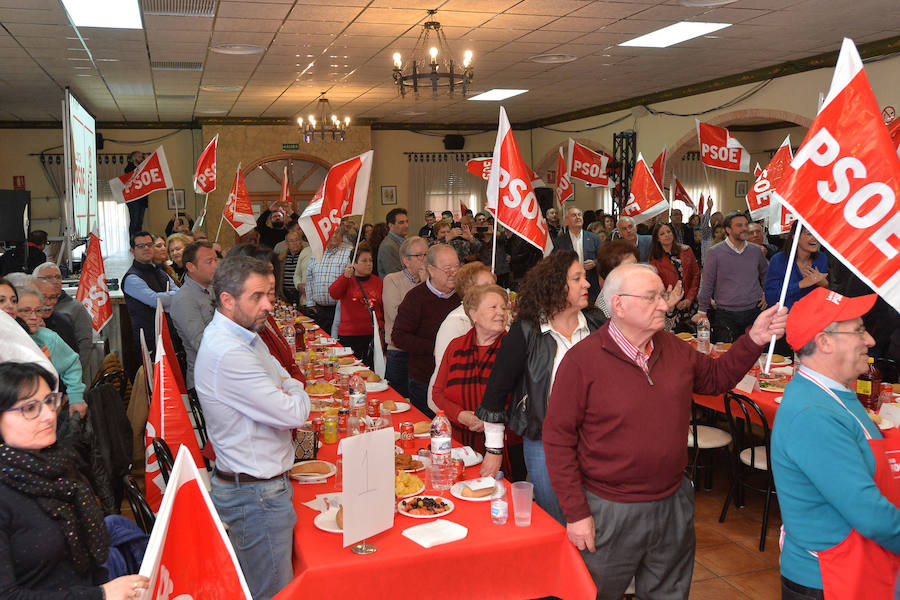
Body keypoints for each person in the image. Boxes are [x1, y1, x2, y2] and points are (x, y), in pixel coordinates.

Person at [542, 263, 787, 600]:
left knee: (669, 593)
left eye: (662, 295)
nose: (663, 304)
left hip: (672, 501)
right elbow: (558, 440)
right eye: (652, 297)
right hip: (610, 508)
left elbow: (716, 379)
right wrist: (577, 513)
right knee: (593, 592)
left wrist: (754, 339)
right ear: (618, 305)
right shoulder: (582, 361)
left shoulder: (673, 348)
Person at [771, 287, 900, 599]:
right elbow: (868, 513)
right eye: (858, 330)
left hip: (857, 568)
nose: (869, 340)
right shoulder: (813, 414)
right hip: (830, 579)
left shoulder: (836, 393)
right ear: (824, 341)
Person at [195, 255, 310, 600]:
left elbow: (284, 376)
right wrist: (293, 390)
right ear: (227, 300)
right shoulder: (229, 351)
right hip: (255, 496)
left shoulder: (246, 332)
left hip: (258, 488)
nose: (267, 305)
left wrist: (288, 386)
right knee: (273, 592)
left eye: (270, 295)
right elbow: (294, 413)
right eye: (257, 297)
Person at [0, 361, 150, 599]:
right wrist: (100, 594)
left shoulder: (60, 464)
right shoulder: (7, 494)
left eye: (50, 401)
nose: (49, 415)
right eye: (30, 408)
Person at [475, 250, 603, 525]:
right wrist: (494, 450)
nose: (588, 284)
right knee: (559, 520)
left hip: (599, 440)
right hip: (546, 442)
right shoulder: (526, 331)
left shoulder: (596, 323)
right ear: (555, 284)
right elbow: (496, 393)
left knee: (597, 518)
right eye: (577, 278)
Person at [432, 284, 508, 451]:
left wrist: (491, 420)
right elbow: (437, 392)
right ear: (473, 314)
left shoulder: (514, 348)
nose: (502, 312)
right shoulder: (456, 346)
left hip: (505, 443)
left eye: (504, 307)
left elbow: (523, 399)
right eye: (493, 307)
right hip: (458, 442)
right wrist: (460, 415)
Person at [392, 244, 461, 417]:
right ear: (431, 269)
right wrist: (437, 348)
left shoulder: (464, 296)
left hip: (457, 381)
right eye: (447, 269)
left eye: (457, 267)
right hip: (424, 379)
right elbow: (399, 337)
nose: (454, 272)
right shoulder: (415, 298)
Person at [228, 245, 306, 382]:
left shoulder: (262, 318)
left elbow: (287, 364)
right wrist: (295, 383)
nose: (271, 300)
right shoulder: (238, 338)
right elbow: (279, 385)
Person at [427, 262, 496, 411]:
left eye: (494, 284)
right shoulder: (456, 322)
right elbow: (445, 374)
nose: (493, 290)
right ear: (468, 291)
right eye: (486, 286)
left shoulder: (498, 318)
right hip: (455, 405)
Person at [696, 211, 769, 343]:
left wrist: (766, 293)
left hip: (754, 313)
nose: (744, 228)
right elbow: (707, 283)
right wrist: (702, 312)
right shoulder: (714, 253)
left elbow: (766, 275)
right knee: (726, 356)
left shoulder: (756, 250)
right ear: (728, 229)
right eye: (739, 225)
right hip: (726, 316)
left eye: (746, 224)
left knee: (754, 355)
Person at [14, 285, 86, 417]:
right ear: (13, 312)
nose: (34, 317)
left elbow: (71, 364)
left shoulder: (48, 337)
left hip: (48, 408)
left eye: (38, 311)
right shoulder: (6, 340)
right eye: (26, 311)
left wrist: (76, 397)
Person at [122, 231, 178, 368]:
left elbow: (180, 293)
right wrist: (170, 299)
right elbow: (155, 300)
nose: (146, 248)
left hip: (169, 338)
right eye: (140, 246)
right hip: (148, 342)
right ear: (132, 251)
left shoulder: (161, 272)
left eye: (149, 244)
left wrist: (168, 299)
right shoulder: (132, 278)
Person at [169, 241, 220, 390]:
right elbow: (202, 345)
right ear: (191, 267)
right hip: (206, 381)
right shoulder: (185, 299)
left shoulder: (214, 288)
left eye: (215, 260)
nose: (215, 266)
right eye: (209, 262)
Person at [383, 236, 428, 398]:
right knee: (398, 400)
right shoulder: (392, 280)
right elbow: (397, 316)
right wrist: (424, 286)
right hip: (399, 351)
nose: (425, 259)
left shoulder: (432, 283)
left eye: (427, 254)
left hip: (423, 353)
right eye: (420, 256)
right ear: (406, 261)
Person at [34, 262, 93, 379]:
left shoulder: (75, 309)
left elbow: (84, 345)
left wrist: (73, 378)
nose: (55, 281)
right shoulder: (27, 310)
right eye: (48, 278)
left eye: (58, 277)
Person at [328, 244, 384, 368]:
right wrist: (344, 277)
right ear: (355, 263)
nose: (369, 264)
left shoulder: (379, 282)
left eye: (370, 260)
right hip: (350, 336)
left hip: (373, 336)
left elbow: (383, 308)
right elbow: (333, 293)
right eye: (364, 261)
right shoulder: (347, 280)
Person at [764, 223, 829, 310]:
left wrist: (825, 284)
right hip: (785, 316)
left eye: (817, 233)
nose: (815, 238)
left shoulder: (822, 258)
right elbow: (771, 297)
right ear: (795, 237)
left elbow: (825, 294)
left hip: (813, 314)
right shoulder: (778, 260)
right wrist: (800, 285)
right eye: (809, 234)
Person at [648, 222, 700, 333]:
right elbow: (657, 287)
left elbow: (696, 275)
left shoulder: (686, 250)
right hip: (670, 307)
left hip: (690, 303)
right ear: (657, 238)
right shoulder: (654, 260)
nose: (667, 235)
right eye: (662, 234)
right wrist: (674, 301)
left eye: (668, 232)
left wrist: (689, 298)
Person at [305, 226, 352, 334]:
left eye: (337, 232)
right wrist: (310, 303)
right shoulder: (317, 251)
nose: (335, 235)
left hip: (340, 310)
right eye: (331, 233)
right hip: (319, 310)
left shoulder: (349, 252)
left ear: (342, 235)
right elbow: (310, 278)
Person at [554, 208, 604, 303]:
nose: (578, 217)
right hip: (569, 288)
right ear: (567, 221)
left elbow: (603, 258)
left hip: (591, 287)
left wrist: (594, 262)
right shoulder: (559, 241)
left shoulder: (594, 238)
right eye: (574, 215)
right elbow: (555, 264)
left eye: (579, 215)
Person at [31, 276, 79, 353]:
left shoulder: (63, 323)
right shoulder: (20, 322)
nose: (48, 303)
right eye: (43, 297)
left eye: (52, 297)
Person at [594, 240, 640, 316]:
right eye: (628, 268)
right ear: (611, 273)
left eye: (636, 265)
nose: (636, 271)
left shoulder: (635, 287)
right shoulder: (607, 306)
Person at [377, 208, 409, 278]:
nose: (406, 225)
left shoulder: (404, 241)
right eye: (401, 222)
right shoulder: (388, 246)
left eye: (407, 221)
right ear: (391, 225)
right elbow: (396, 275)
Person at [278, 229, 305, 306]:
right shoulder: (282, 257)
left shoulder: (306, 255)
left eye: (297, 240)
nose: (295, 243)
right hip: (285, 295)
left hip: (300, 294)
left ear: (301, 241)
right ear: (287, 244)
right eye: (291, 241)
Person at [125, 151, 148, 237]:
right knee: (134, 222)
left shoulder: (143, 168)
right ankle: (132, 241)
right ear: (133, 158)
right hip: (133, 199)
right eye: (139, 157)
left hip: (142, 199)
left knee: (139, 222)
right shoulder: (129, 168)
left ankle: (138, 239)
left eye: (142, 157)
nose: (141, 158)